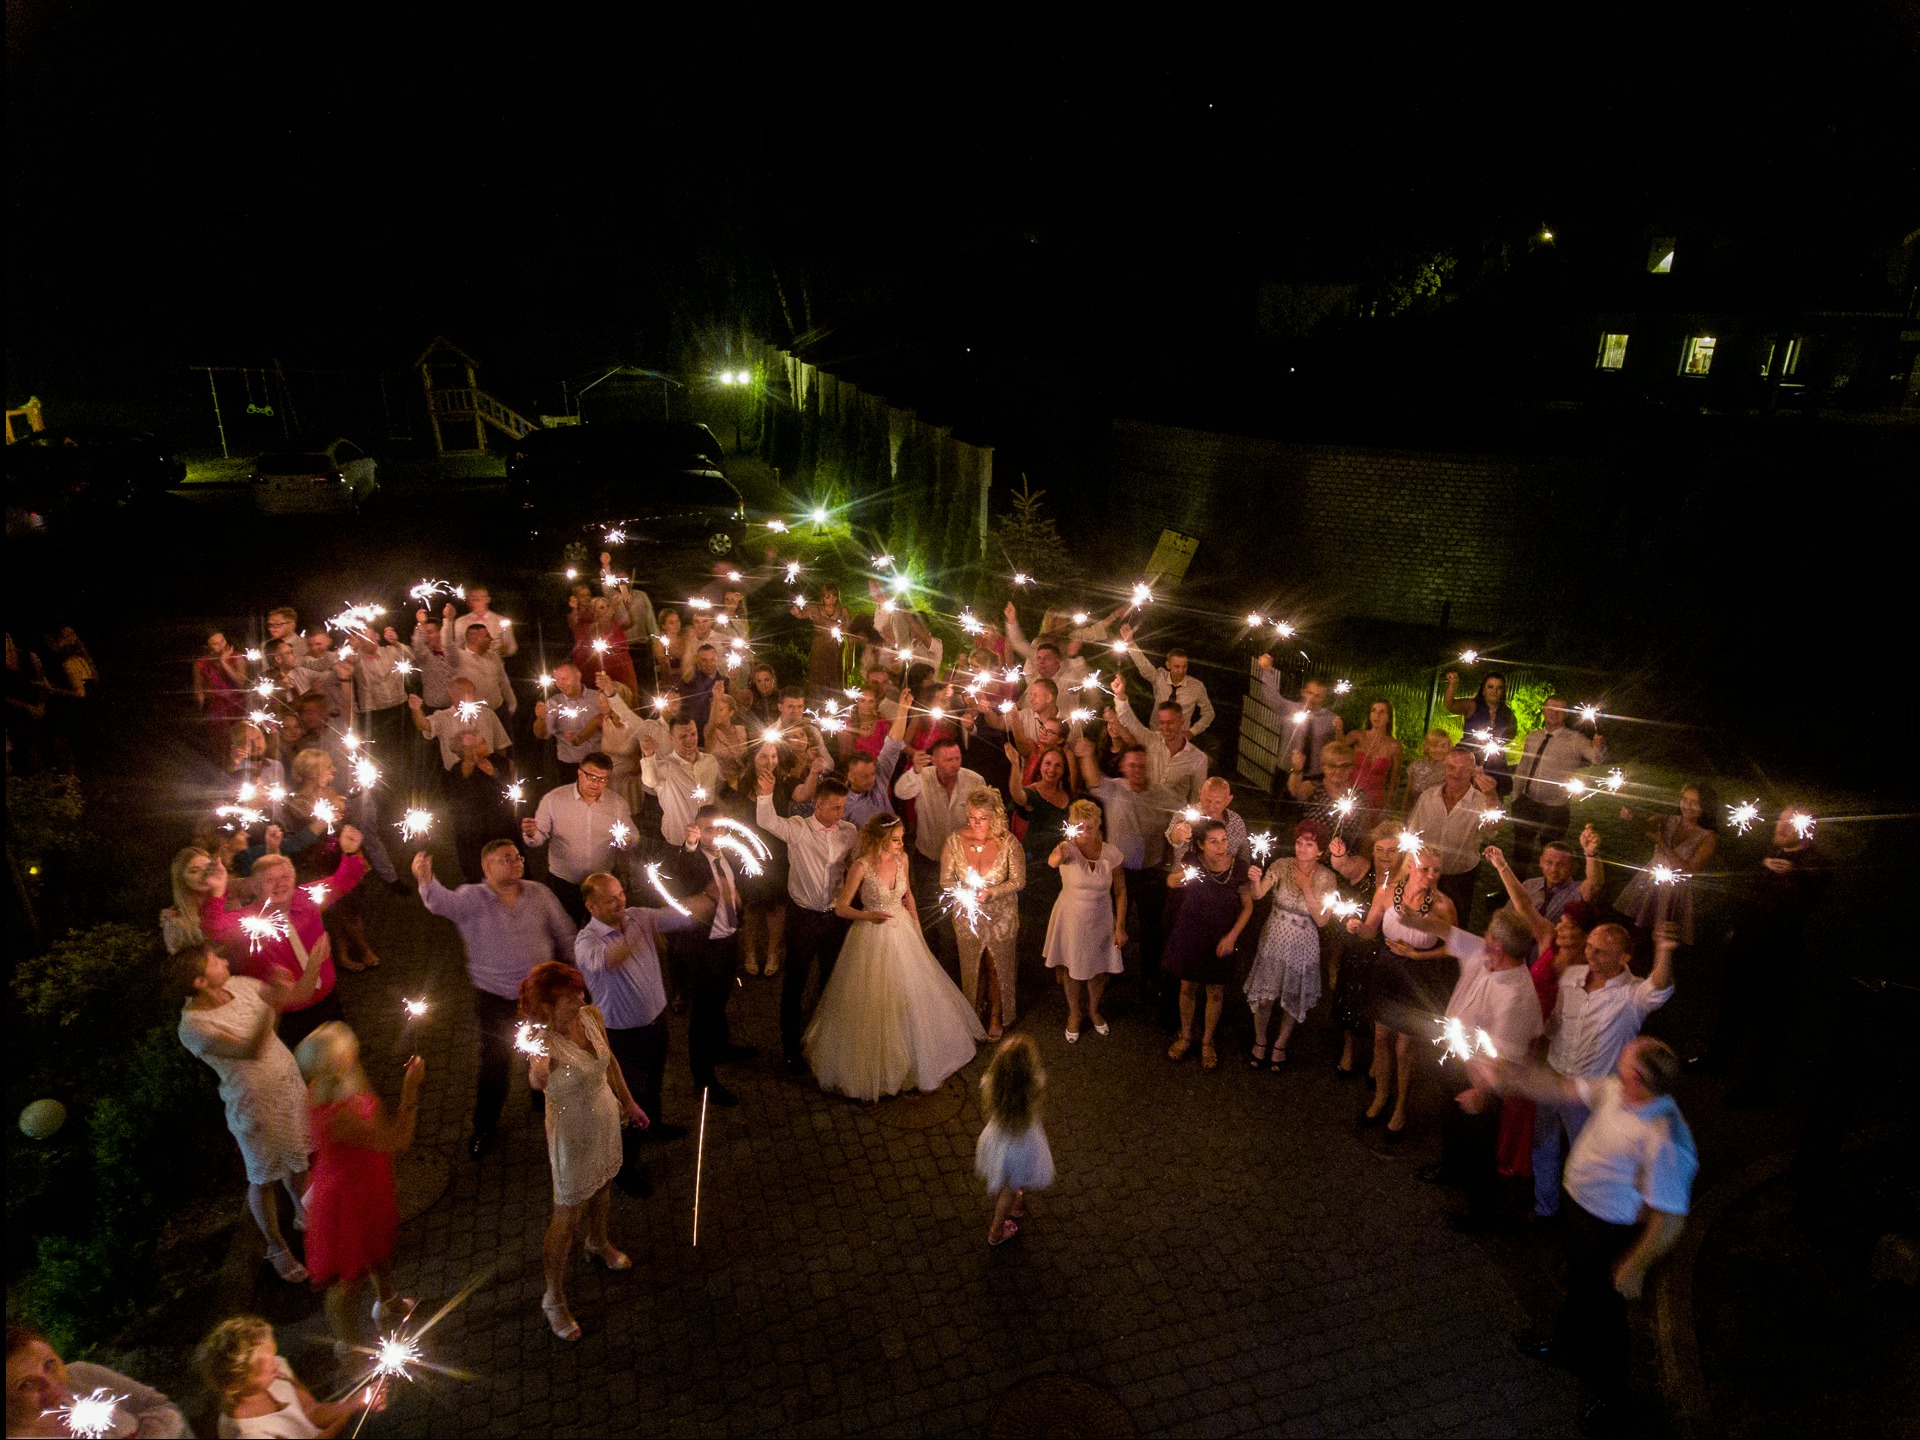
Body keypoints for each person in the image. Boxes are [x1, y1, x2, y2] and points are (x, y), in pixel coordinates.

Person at [1482, 1037, 1697, 1419]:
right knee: (1579, 1289)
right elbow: (1562, 1088)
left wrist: (1635, 1265)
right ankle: (1566, 1347)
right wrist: (1514, 1076)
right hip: (1581, 1214)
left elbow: (1671, 1217)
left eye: (1625, 1059)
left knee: (1606, 1317)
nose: (1618, 1059)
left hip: (1608, 1231)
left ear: (1637, 1078)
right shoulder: (1617, 1090)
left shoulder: (1665, 1138)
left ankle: (1612, 1396)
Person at [804, 815, 985, 1101]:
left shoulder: (903, 860)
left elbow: (908, 895)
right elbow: (841, 908)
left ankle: (919, 1055)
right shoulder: (861, 866)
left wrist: (918, 928)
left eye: (901, 839)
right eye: (896, 839)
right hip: (871, 935)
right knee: (874, 1000)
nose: (901, 844)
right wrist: (868, 916)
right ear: (879, 840)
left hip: (903, 931)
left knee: (912, 993)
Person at [413, 843, 576, 1159]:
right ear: (487, 868)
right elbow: (439, 902)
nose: (515, 862)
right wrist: (425, 879)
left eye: (517, 857)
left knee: (546, 1053)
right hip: (495, 999)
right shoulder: (471, 898)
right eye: (506, 859)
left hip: (539, 997)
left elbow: (565, 933)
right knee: (495, 1064)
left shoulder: (539, 893)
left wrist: (574, 974)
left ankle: (542, 1098)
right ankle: (484, 1126)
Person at [518, 961, 651, 1342]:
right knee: (567, 1215)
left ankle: (598, 1241)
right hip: (571, 1134)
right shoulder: (541, 1041)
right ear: (546, 1007)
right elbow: (536, 1076)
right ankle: (553, 1297)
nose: (581, 998)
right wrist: (538, 1074)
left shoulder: (591, 1016)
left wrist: (629, 1102)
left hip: (604, 1117)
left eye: (579, 991)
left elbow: (611, 1063)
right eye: (570, 997)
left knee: (604, 1183)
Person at [175, 940, 317, 1284]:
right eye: (214, 961)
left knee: (299, 1157)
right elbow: (250, 1048)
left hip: (286, 1088)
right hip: (254, 1107)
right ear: (198, 982)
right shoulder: (192, 1027)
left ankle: (304, 1212)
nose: (224, 961)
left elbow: (291, 1001)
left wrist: (313, 959)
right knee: (264, 1177)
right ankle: (276, 1246)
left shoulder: (240, 984)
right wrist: (271, 1005)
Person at [1413, 907, 1548, 1230]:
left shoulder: (1515, 997)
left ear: (1498, 946)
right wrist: (1410, 918)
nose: (1482, 936)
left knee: (1479, 1144)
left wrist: (1481, 1093)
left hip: (1482, 1079)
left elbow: (1505, 1060)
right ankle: (1450, 1168)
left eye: (1488, 932)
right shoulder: (1487, 953)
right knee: (1451, 1120)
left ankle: (1481, 1212)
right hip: (1457, 1060)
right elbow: (1446, 931)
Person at [577, 870, 710, 1192]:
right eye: (611, 899)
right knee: (630, 1100)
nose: (620, 902)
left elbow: (678, 915)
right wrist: (635, 933)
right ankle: (624, 1168)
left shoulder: (637, 916)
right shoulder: (586, 942)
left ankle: (654, 1127)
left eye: (621, 894)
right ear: (591, 906)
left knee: (654, 1083)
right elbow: (610, 959)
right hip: (622, 1035)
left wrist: (710, 898)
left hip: (655, 1023)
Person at [292, 1023, 421, 1347]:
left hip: (363, 1178)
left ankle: (388, 1302)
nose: (355, 1050)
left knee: (376, 1246)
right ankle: (348, 1347)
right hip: (349, 1195)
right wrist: (410, 1091)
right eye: (348, 1049)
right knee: (348, 1280)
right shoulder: (340, 1114)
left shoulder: (332, 1085)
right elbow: (397, 1140)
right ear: (336, 1063)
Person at [1699, 805, 1832, 1088]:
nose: (1780, 827)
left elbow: (1813, 893)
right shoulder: (1772, 854)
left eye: (1789, 823)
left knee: (1767, 1019)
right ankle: (1716, 1059)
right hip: (1745, 945)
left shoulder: (1815, 863)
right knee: (1731, 1007)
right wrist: (1736, 930)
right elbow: (1749, 895)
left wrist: (1794, 873)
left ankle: (1757, 1084)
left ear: (1807, 828)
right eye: (1780, 821)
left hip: (1777, 954)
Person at [211, 839, 368, 1047]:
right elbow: (215, 928)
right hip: (290, 1016)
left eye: (285, 877)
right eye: (270, 880)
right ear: (255, 888)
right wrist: (217, 893)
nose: (280, 884)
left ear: (294, 879)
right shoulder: (249, 920)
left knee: (342, 1052)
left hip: (329, 1001)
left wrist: (351, 852)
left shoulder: (306, 897)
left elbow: (342, 881)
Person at [1350, 845, 1461, 1138]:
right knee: (1381, 1037)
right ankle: (1380, 1096)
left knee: (1405, 1048)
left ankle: (1401, 1106)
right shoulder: (1386, 894)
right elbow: (1370, 931)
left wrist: (1417, 954)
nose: (1431, 875)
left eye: (1437, 870)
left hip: (1418, 977)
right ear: (1410, 866)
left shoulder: (1443, 906)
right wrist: (1357, 927)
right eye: (1425, 869)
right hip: (1387, 971)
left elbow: (1455, 947)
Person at [754, 771, 859, 1071]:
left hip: (835, 918)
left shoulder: (849, 832)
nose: (841, 813)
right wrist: (765, 793)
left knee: (831, 979)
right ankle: (790, 1046)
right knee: (796, 980)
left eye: (843, 807)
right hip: (803, 917)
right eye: (836, 807)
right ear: (818, 805)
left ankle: (825, 1040)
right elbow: (766, 821)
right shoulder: (799, 829)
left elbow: (856, 864)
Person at [1071, 738, 1179, 1014]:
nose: (1137, 770)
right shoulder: (1113, 789)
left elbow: (1183, 816)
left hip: (1152, 872)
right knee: (1112, 923)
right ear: (1123, 767)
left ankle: (1149, 978)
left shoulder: (1164, 796)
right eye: (1132, 765)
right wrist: (1086, 754)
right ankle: (1111, 970)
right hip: (1119, 872)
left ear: (1148, 767)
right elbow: (1093, 779)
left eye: (1141, 765)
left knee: (1151, 929)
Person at [659, 805, 755, 1107]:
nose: (715, 834)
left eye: (720, 828)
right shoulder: (691, 858)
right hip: (704, 946)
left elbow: (736, 887)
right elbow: (681, 870)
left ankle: (722, 1046)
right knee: (703, 1012)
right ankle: (704, 1079)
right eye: (707, 829)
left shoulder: (727, 855)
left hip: (727, 938)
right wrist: (689, 846)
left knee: (720, 1000)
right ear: (696, 830)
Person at [1243, 820, 1339, 1069]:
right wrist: (1255, 880)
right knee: (1265, 998)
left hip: (1302, 943)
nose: (1302, 848)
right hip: (1274, 938)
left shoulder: (1327, 878)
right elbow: (1258, 894)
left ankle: (1280, 1043)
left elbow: (1322, 920)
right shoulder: (1281, 864)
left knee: (1292, 998)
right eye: (1299, 842)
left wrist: (1307, 887)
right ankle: (1260, 1039)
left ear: (1320, 851)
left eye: (1309, 844)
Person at [1161, 819, 1255, 1070]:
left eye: (1224, 840)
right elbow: (1171, 881)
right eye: (1213, 842)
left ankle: (1207, 1041)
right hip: (1191, 933)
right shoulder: (1192, 860)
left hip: (1221, 936)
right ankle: (1185, 1036)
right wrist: (1179, 878)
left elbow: (1247, 907)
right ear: (1201, 845)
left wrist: (1232, 936)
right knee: (1187, 987)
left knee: (1215, 991)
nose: (1221, 846)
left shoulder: (1239, 867)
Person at [196, 1314, 382, 1438]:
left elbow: (312, 1412)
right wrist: (350, 1411)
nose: (277, 1364)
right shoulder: (250, 1434)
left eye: (273, 1355)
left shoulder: (277, 1370)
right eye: (268, 1367)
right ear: (237, 1384)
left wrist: (356, 1402)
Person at [940, 788, 1026, 1040]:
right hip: (968, 918)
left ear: (994, 816)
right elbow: (946, 880)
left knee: (996, 966)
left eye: (983, 818)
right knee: (972, 966)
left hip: (1001, 917)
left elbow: (1019, 880)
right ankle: (974, 1010)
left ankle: (997, 1014)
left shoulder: (1008, 843)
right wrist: (964, 892)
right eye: (972, 817)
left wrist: (992, 892)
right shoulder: (954, 841)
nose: (976, 823)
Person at [7, 1320, 189, 1439]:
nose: (52, 1385)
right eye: (26, 1384)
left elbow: (159, 1405)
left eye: (49, 1364)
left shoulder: (81, 1375)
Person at [1043, 799, 1127, 1042]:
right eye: (1079, 826)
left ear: (1098, 825)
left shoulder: (1111, 853)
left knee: (1098, 970)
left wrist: (1120, 927)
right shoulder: (1067, 849)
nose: (1084, 832)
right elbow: (1052, 862)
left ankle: (1093, 1009)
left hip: (1101, 917)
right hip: (1071, 918)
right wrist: (1058, 853)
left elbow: (1121, 891)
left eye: (1089, 826)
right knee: (1072, 969)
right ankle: (1074, 1013)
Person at [1326, 822, 1402, 1079]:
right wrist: (1337, 854)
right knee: (1349, 998)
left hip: (1387, 950)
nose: (1384, 856)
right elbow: (1341, 865)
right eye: (1379, 849)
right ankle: (1348, 1051)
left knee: (1376, 1005)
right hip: (1357, 945)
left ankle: (1377, 1059)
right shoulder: (1363, 867)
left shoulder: (1406, 879)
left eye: (1391, 850)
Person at [522, 752, 633, 923]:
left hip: (601, 885)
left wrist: (627, 840)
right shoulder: (554, 799)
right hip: (563, 883)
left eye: (603, 779)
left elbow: (631, 835)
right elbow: (539, 837)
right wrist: (531, 834)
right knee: (564, 929)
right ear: (580, 773)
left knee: (602, 931)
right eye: (592, 777)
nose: (596, 783)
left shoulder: (617, 804)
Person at [1508, 697, 1606, 873]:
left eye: (1560, 710)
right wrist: (1515, 797)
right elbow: (1524, 766)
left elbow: (1597, 759)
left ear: (1566, 714)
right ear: (1543, 710)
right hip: (1527, 803)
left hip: (1556, 809)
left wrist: (1599, 747)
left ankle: (1551, 886)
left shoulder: (1575, 739)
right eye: (1550, 708)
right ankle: (1514, 885)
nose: (1554, 713)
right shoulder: (1533, 737)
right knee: (1520, 851)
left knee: (1553, 855)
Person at [1614, 784, 1719, 948]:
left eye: (1694, 802)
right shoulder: (1666, 819)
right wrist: (1632, 817)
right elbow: (1646, 826)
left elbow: (1688, 870)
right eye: (1684, 800)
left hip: (1676, 891)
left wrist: (1660, 842)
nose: (1687, 806)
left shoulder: (1708, 837)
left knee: (1663, 935)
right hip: (1649, 881)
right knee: (1636, 929)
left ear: (1706, 807)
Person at [976, 1035, 1055, 1246]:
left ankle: (1015, 1203)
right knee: (1009, 1188)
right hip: (1022, 1145)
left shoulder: (991, 1083)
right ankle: (996, 1230)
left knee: (1010, 1182)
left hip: (998, 1140)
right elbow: (1039, 1081)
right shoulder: (1034, 1086)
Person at [1406, 744, 1499, 922]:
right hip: (1425, 873)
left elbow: (1494, 829)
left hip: (1459, 877)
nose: (1456, 774)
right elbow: (1412, 832)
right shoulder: (1428, 796)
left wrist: (1492, 796)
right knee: (1419, 920)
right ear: (1444, 768)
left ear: (1473, 772)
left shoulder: (1481, 801)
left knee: (1454, 924)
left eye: (1463, 769)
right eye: (1451, 767)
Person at [1106, 681, 1208, 807]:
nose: (1165, 728)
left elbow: (1196, 800)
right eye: (1162, 723)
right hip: (1144, 811)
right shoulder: (1151, 741)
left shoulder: (1198, 759)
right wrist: (1120, 695)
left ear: (1182, 721)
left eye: (1170, 723)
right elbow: (1131, 722)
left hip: (1173, 817)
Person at [444, 731, 520, 884]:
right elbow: (459, 798)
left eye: (483, 742)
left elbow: (509, 784)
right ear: (466, 752)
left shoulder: (499, 761)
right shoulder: (458, 771)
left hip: (504, 826)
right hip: (477, 833)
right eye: (478, 745)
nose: (484, 746)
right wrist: (469, 763)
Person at [1117, 624, 1215, 737]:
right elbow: (1144, 666)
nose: (1181, 670)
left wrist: (1192, 732)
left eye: (1184, 666)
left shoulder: (1196, 686)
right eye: (1177, 667)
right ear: (1168, 665)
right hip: (1156, 735)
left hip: (1178, 738)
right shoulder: (1160, 677)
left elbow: (1209, 713)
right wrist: (1130, 643)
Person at [1254, 659, 1343, 785]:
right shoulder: (1290, 709)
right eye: (1310, 693)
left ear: (1324, 698)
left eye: (1318, 696)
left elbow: (1338, 749)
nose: (1312, 698)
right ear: (1303, 692)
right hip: (1286, 772)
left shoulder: (1330, 719)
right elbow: (1271, 697)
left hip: (1314, 777)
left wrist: (1339, 731)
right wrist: (1267, 670)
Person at [639, 716, 721, 849]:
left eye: (693, 734)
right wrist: (649, 755)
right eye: (683, 736)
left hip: (708, 839)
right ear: (671, 738)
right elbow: (650, 781)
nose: (689, 739)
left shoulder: (710, 761)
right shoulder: (665, 767)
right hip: (679, 839)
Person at [1443, 670, 1518, 796]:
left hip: (1493, 760)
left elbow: (1512, 732)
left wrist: (1497, 743)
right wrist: (1452, 684)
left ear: (1503, 691)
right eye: (1490, 687)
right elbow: (1450, 705)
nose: (1494, 691)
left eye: (1499, 688)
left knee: (1491, 793)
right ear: (1484, 690)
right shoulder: (1472, 705)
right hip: (1468, 755)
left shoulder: (1507, 713)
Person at [407, 680, 511, 771]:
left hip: (488, 772)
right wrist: (416, 709)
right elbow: (424, 725)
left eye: (472, 691)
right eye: (466, 691)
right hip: (458, 777)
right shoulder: (443, 717)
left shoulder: (488, 714)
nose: (471, 695)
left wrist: (503, 769)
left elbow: (500, 745)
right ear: (453, 695)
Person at [194, 630, 251, 755]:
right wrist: (202, 708)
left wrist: (224, 662)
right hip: (216, 707)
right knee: (221, 743)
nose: (221, 646)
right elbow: (198, 689)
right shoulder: (201, 663)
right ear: (208, 647)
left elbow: (241, 682)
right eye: (216, 644)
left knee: (240, 739)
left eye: (222, 641)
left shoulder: (237, 657)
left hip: (237, 704)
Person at [448, 620, 516, 722]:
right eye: (487, 636)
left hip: (498, 712)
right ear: (474, 638)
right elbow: (447, 644)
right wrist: (448, 620)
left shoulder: (494, 657)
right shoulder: (460, 658)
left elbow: (504, 682)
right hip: (475, 716)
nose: (491, 639)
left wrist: (512, 704)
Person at [794, 583, 855, 695]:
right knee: (818, 683)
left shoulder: (843, 611)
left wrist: (851, 658)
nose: (831, 600)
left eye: (834, 596)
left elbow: (850, 636)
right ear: (822, 597)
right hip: (819, 652)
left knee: (836, 683)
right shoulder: (815, 609)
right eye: (827, 597)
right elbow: (801, 614)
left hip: (836, 652)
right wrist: (797, 611)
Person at [1348, 700, 1403, 812]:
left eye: (1382, 712)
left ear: (1389, 717)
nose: (1376, 715)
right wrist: (1338, 730)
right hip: (1352, 794)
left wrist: (1389, 802)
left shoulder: (1394, 745)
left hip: (1375, 798)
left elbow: (1394, 778)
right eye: (1373, 711)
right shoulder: (1357, 736)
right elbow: (1338, 750)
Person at [444, 585, 518, 657]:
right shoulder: (460, 622)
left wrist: (506, 650)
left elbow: (512, 647)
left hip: (494, 663)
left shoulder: (501, 620)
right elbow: (458, 648)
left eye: (481, 598)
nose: (478, 601)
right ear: (469, 601)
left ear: (488, 599)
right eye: (474, 599)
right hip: (470, 663)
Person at [1403, 728, 1453, 809]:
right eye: (1434, 746)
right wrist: (1403, 813)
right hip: (1415, 813)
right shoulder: (1415, 767)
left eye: (1443, 746)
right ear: (1427, 747)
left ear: (1449, 747)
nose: (1438, 750)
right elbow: (1408, 795)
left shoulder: (1453, 770)